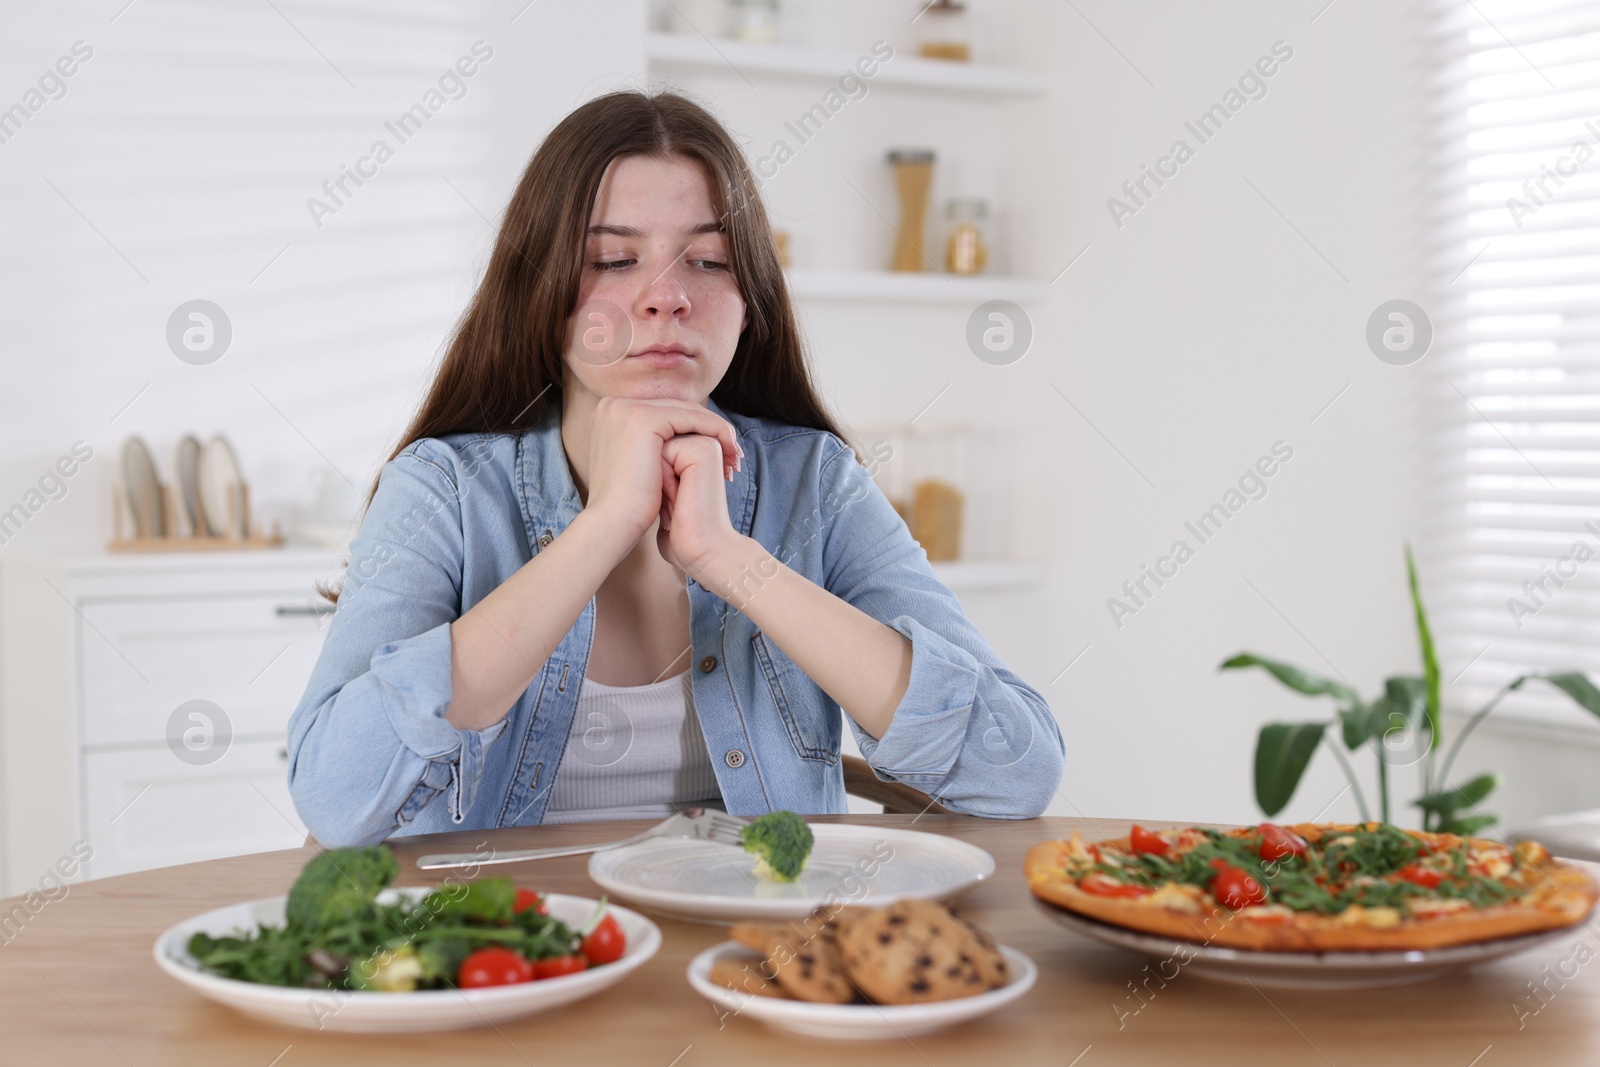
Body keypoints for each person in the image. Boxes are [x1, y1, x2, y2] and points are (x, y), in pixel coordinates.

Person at [286, 90, 1063, 848]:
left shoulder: (816, 482)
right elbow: (337, 798)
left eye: (709, 260)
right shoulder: (443, 489)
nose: (666, 297)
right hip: (510, 959)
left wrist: (730, 560)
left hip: (754, 961)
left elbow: (1017, 767)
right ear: (543, 296)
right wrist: (603, 527)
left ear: (750, 299)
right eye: (614, 259)